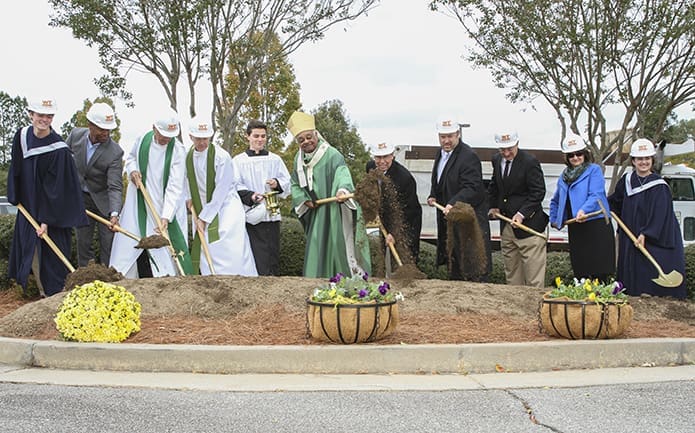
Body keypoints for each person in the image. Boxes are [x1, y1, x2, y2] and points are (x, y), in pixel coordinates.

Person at [7, 98, 88, 296]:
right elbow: (16, 167)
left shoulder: (58, 149)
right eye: (40, 115)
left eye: (49, 116)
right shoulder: (22, 136)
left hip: (52, 212)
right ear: (31, 115)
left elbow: (56, 189)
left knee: (52, 255)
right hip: (28, 207)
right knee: (30, 250)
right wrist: (14, 196)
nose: (44, 119)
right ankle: (42, 293)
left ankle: (54, 294)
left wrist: (45, 219)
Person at [109, 109, 193, 277]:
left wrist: (166, 216)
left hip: (163, 207)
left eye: (170, 136)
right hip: (139, 202)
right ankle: (122, 277)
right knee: (128, 245)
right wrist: (133, 171)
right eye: (163, 135)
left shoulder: (178, 150)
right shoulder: (142, 140)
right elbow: (131, 159)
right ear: (154, 128)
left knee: (163, 253)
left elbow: (175, 187)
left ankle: (166, 279)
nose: (166, 139)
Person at [287, 110, 371, 278]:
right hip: (316, 212)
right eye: (301, 140)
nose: (306, 142)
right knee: (317, 245)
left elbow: (342, 174)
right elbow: (295, 184)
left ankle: (346, 278)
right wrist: (303, 199)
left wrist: (342, 191)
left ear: (316, 134)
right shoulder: (299, 159)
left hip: (334, 210)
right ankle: (316, 279)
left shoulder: (332, 155)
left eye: (309, 137)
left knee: (337, 245)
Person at [608, 138, 686, 299]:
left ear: (652, 159)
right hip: (631, 232)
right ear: (633, 161)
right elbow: (616, 200)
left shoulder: (659, 186)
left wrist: (646, 234)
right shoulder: (627, 181)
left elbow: (661, 214)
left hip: (653, 234)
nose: (643, 162)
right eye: (639, 159)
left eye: (647, 158)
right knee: (632, 268)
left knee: (648, 267)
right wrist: (607, 206)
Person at [185, 117, 257, 276]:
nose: (202, 142)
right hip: (201, 206)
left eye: (205, 138)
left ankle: (240, 282)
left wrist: (204, 218)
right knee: (207, 247)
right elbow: (186, 181)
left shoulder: (221, 157)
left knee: (229, 248)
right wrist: (189, 199)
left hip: (225, 207)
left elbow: (221, 190)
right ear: (190, 136)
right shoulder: (187, 156)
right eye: (198, 138)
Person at [426, 117, 491, 281]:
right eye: (443, 137)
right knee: (454, 265)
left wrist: (452, 203)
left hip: (468, 222)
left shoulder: (468, 156)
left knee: (471, 265)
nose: (446, 140)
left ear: (458, 134)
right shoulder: (440, 154)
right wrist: (433, 194)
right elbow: (440, 179)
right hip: (450, 221)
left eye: (450, 136)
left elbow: (473, 187)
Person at [549, 133, 615, 282]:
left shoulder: (594, 170)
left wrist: (583, 210)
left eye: (579, 153)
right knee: (581, 271)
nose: (575, 157)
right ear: (567, 157)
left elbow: (596, 194)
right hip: (576, 226)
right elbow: (556, 201)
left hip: (596, 223)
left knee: (599, 271)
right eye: (571, 155)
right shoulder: (564, 176)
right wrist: (554, 219)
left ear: (585, 154)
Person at [65, 102, 124, 267]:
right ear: (90, 125)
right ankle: (86, 278)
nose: (106, 133)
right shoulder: (75, 136)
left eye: (108, 129)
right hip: (81, 199)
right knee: (83, 242)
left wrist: (114, 214)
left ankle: (109, 280)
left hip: (104, 202)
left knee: (108, 244)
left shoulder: (115, 152)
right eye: (101, 129)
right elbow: (63, 161)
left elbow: (115, 186)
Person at [488, 131, 548, 288]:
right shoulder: (496, 160)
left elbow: (538, 192)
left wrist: (522, 214)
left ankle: (534, 308)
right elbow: (495, 186)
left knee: (533, 279)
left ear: (517, 144)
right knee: (512, 276)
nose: (506, 153)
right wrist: (493, 205)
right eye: (502, 149)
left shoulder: (530, 162)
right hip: (507, 227)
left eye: (510, 149)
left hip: (529, 227)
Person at [233, 119, 291, 275]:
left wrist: (276, 183)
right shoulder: (238, 161)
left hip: (271, 214)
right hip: (251, 214)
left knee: (272, 252)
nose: (260, 140)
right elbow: (234, 184)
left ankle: (272, 281)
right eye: (256, 136)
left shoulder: (275, 159)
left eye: (263, 136)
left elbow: (287, 181)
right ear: (248, 136)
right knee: (255, 253)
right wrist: (251, 195)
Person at [366, 142, 422, 264]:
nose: (382, 161)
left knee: (405, 256)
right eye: (378, 157)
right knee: (385, 256)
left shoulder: (405, 178)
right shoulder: (370, 167)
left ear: (392, 156)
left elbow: (408, 211)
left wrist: (395, 233)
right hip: (384, 219)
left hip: (408, 220)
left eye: (385, 157)